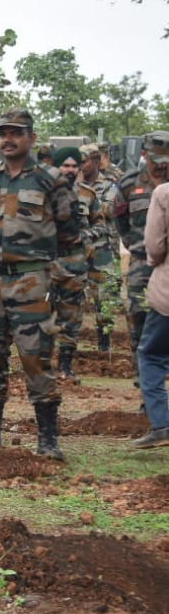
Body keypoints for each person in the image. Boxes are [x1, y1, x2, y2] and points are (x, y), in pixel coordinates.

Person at [0, 110, 81, 460]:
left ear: (31, 139)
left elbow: (69, 234)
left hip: (31, 281)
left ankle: (48, 438)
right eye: (3, 134)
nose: (8, 139)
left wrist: (53, 276)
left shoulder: (50, 180)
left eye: (16, 133)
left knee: (36, 357)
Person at [114, 133, 169, 356]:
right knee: (137, 314)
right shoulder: (128, 183)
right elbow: (119, 218)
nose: (161, 166)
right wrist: (133, 245)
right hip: (140, 261)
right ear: (144, 155)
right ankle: (140, 369)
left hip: (167, 264)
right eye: (156, 160)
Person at [48, 147, 91, 381]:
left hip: (73, 264)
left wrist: (83, 237)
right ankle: (40, 365)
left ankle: (65, 365)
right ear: (56, 167)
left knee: (71, 317)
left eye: (75, 166)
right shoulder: (42, 192)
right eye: (65, 165)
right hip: (46, 263)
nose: (70, 170)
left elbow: (103, 225)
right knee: (40, 316)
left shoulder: (87, 194)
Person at [133, 174, 169, 448]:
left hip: (167, 294)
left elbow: (155, 246)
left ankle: (161, 424)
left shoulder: (163, 193)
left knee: (151, 356)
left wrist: (155, 261)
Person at [78, 144, 120, 351]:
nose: (80, 166)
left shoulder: (109, 185)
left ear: (95, 162)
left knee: (104, 298)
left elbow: (108, 210)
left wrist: (86, 200)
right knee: (73, 297)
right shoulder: (72, 185)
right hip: (78, 250)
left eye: (84, 161)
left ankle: (105, 343)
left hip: (102, 250)